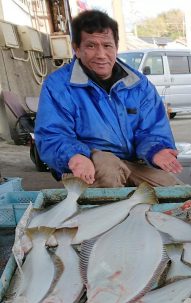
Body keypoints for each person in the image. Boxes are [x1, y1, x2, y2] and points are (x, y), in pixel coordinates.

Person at [35, 10, 182, 187]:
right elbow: (53, 134)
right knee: (107, 166)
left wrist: (156, 150)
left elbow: (152, 129)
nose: (101, 55)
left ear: (116, 47)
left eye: (107, 46)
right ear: (76, 48)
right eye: (91, 46)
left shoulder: (139, 84)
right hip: (88, 162)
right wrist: (74, 156)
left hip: (133, 163)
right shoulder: (58, 85)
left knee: (173, 189)